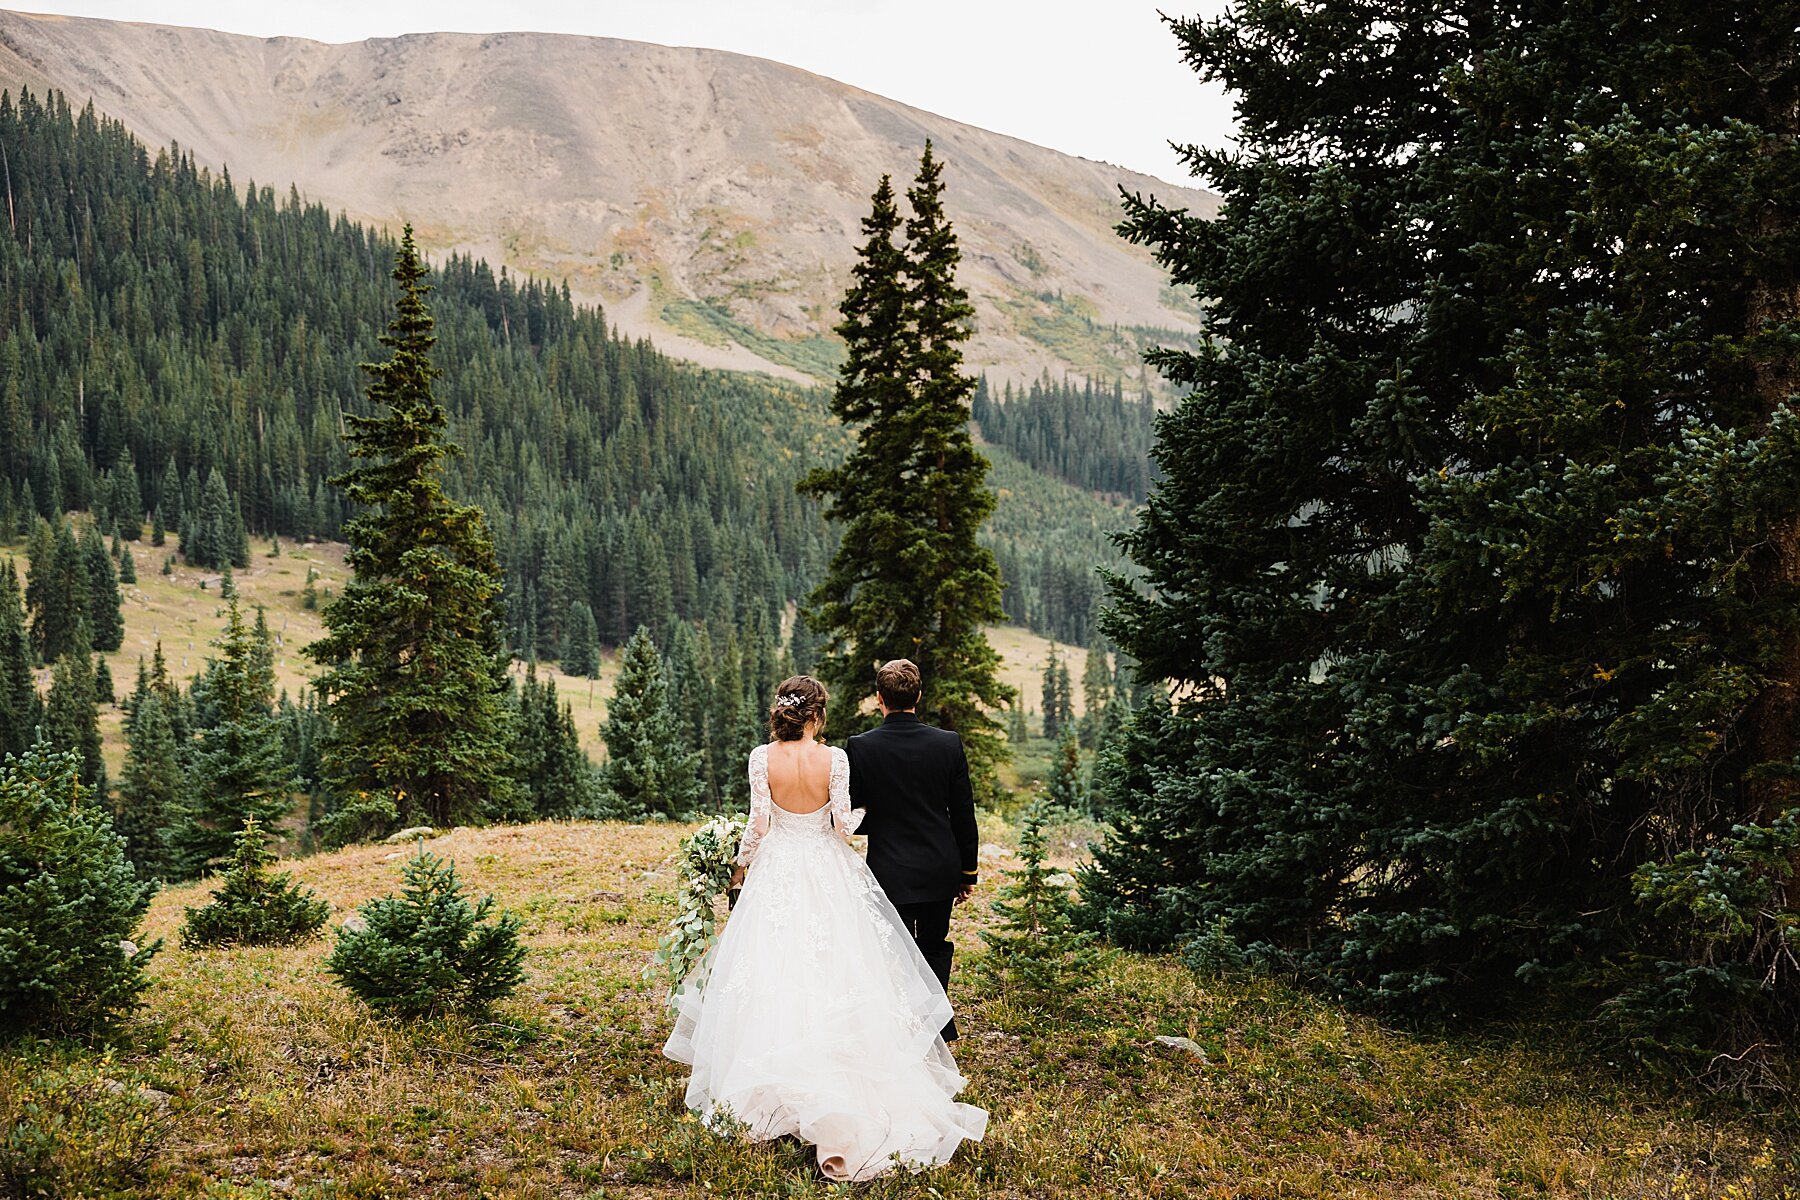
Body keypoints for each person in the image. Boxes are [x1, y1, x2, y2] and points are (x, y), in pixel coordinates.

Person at [662, 674, 986, 1181]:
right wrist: (867, 813)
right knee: (840, 965)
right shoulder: (834, 759)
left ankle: (769, 1075)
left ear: (782, 712)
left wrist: (740, 866)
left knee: (772, 964)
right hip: (825, 866)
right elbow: (842, 825)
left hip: (777, 870)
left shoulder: (759, 758)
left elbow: (759, 824)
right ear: (817, 714)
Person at [845, 658, 980, 1041]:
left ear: (878, 699)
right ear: (918, 696)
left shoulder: (862, 746)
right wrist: (967, 872)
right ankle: (934, 1025)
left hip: (890, 867)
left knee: (897, 951)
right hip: (940, 865)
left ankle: (905, 1027)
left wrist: (882, 819)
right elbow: (963, 814)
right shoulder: (948, 743)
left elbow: (857, 811)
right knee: (934, 945)